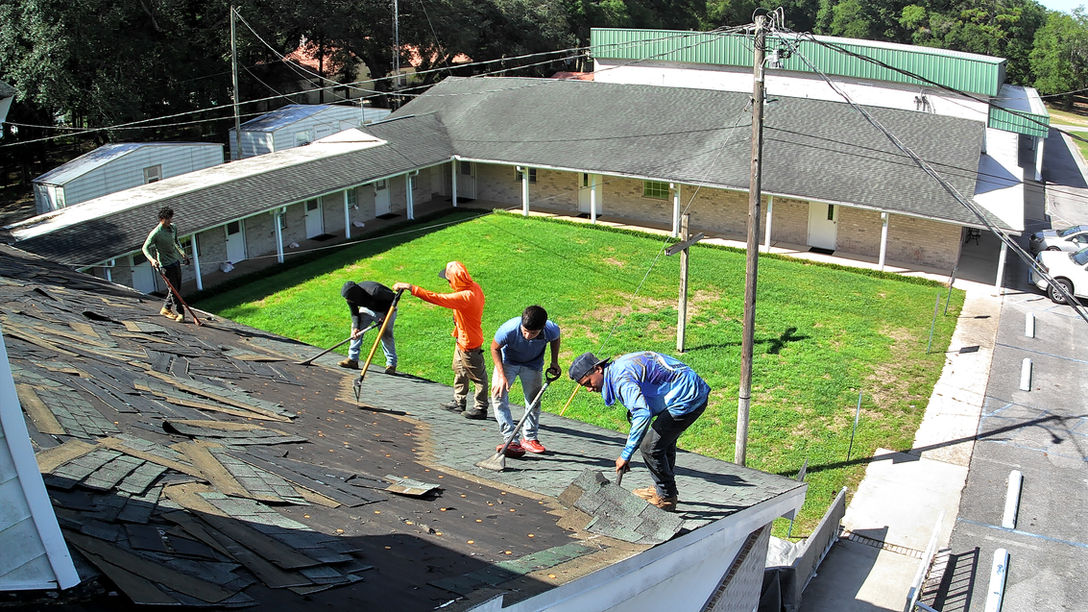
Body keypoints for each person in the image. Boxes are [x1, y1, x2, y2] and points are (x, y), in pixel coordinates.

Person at [569, 351, 709, 512]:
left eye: (588, 383)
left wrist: (626, 455)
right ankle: (663, 489)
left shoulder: (620, 378)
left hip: (688, 397)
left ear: (598, 369)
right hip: (684, 391)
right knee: (663, 442)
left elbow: (643, 413)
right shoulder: (619, 369)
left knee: (650, 447)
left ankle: (666, 498)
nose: (588, 389)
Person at [394, 261, 488, 419]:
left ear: (455, 280)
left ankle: (480, 408)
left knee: (478, 377)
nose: (448, 283)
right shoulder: (473, 287)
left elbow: (436, 298)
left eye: (449, 280)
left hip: (469, 343)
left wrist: (411, 287)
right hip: (462, 339)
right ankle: (459, 402)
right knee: (459, 370)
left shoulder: (465, 296)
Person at [490, 305, 561, 455]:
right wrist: (502, 375)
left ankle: (529, 438)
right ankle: (510, 439)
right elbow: (494, 348)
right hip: (507, 362)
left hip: (532, 365)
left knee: (534, 400)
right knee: (498, 395)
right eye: (525, 331)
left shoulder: (551, 329)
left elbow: (555, 338)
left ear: (542, 328)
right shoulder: (508, 329)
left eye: (533, 333)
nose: (528, 336)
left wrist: (554, 361)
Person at [338, 281, 398, 375]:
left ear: (355, 294)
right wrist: (356, 328)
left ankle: (391, 365)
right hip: (367, 308)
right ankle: (352, 360)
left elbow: (394, 298)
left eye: (349, 299)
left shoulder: (375, 291)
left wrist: (386, 315)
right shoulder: (350, 297)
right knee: (355, 329)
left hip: (387, 310)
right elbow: (354, 313)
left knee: (386, 335)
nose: (348, 300)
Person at [142, 206, 189, 322]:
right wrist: (152, 260)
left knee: (176, 288)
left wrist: (183, 253)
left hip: (175, 262)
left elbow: (176, 241)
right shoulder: (156, 233)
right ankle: (181, 313)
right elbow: (144, 248)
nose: (170, 221)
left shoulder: (173, 228)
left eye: (171, 218)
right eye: (168, 219)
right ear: (162, 219)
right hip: (165, 265)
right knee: (173, 290)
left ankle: (165, 308)